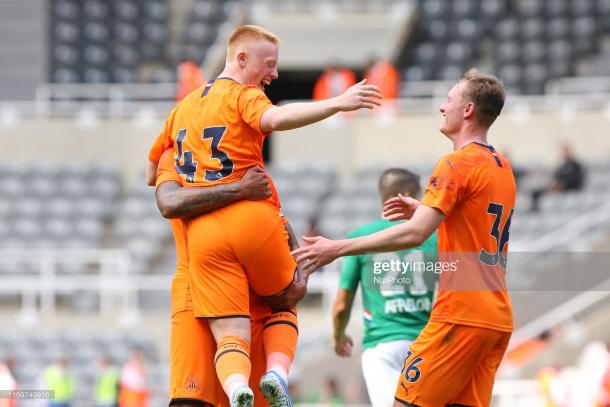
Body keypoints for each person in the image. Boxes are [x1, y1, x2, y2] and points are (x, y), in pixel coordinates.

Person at [145, 24, 381, 407]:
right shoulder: (245, 98)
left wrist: (192, 171)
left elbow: (152, 174)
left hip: (204, 253)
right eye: (269, 65)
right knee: (287, 299)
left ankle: (244, 385)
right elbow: (276, 120)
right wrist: (338, 102)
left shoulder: (180, 118)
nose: (274, 75)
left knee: (214, 365)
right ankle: (276, 373)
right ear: (241, 59)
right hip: (252, 225)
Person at [293, 70, 515, 406]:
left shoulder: (455, 164)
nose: (442, 107)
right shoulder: (502, 166)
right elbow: (473, 230)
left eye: (450, 100)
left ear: (468, 110)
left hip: (459, 316)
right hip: (497, 317)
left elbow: (415, 234)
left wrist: (337, 248)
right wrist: (432, 211)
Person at [153, 148, 308, 407]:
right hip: (199, 294)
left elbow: (278, 219)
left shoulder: (244, 157)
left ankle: (271, 376)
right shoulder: (177, 153)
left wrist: (297, 266)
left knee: (226, 397)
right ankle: (277, 373)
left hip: (250, 302)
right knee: (190, 400)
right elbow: (168, 202)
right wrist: (240, 189)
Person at [333, 168, 437, 407]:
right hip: (425, 344)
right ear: (407, 194)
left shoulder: (359, 237)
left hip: (382, 346)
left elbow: (341, 305)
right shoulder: (435, 238)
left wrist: (338, 336)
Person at [530, 143, 585, 211]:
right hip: (558, 188)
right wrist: (554, 185)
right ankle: (534, 211)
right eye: (563, 151)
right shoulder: (562, 166)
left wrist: (563, 185)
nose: (565, 153)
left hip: (569, 189)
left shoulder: (576, 166)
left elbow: (575, 179)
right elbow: (556, 177)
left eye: (566, 151)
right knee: (536, 192)